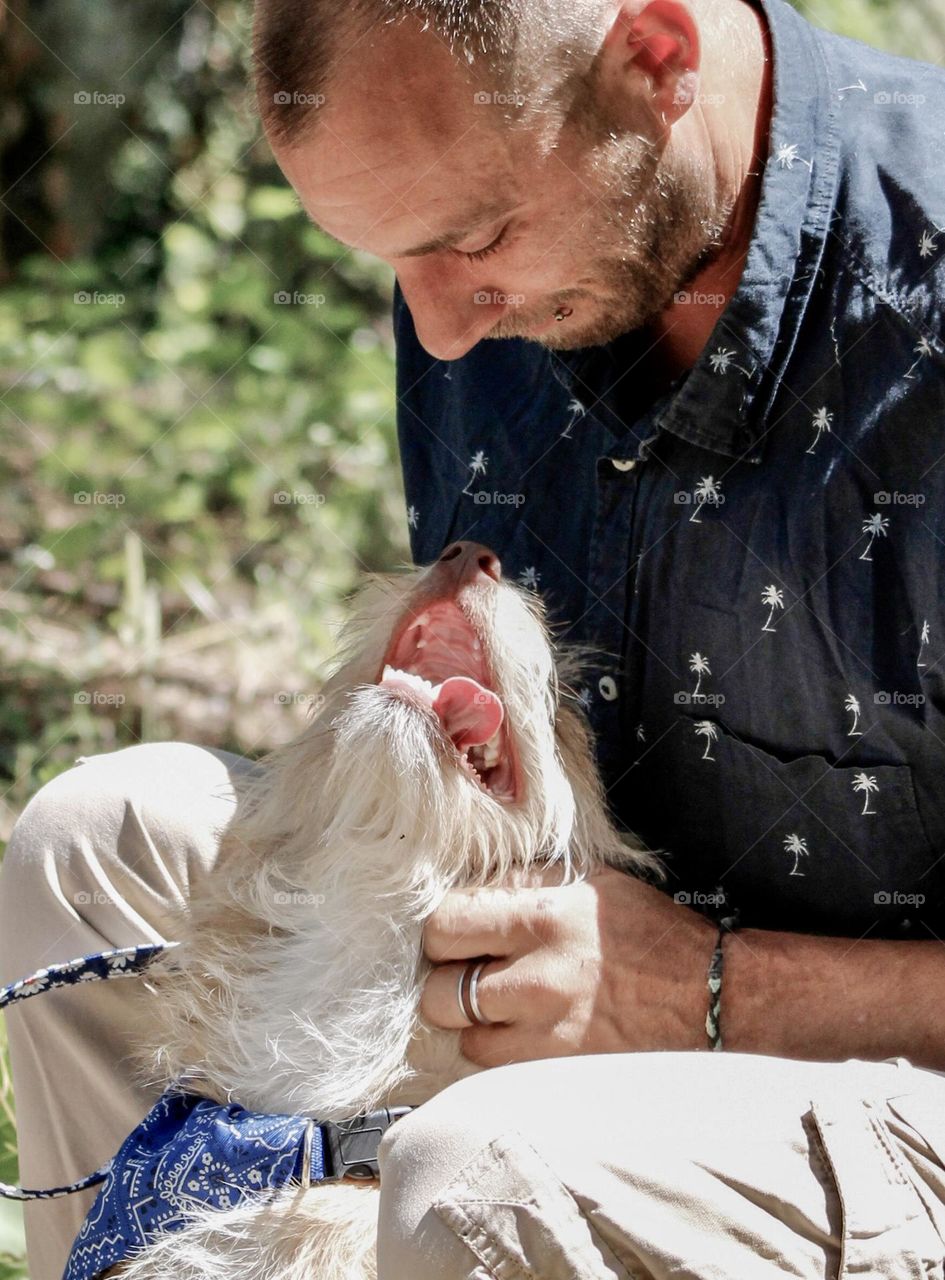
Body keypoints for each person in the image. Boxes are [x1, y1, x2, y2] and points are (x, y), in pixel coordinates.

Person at [2, 0, 945, 1276]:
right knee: (94, 843)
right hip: (571, 971)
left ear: (655, 56)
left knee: (475, 1172)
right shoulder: (490, 257)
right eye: (395, 260)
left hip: (890, 1075)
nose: (441, 332)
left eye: (478, 239)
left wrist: (711, 990)